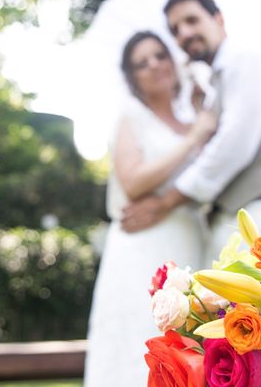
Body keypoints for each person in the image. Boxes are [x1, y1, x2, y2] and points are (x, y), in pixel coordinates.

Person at [121, 0, 261, 264]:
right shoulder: (217, 84)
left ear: (219, 19)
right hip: (241, 221)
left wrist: (166, 203)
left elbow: (233, 145)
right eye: (175, 30)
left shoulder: (247, 57)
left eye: (192, 20)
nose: (185, 33)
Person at [84, 31, 216, 387]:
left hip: (191, 241)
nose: (154, 65)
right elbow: (134, 181)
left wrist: (202, 119)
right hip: (143, 245)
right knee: (138, 336)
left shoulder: (196, 118)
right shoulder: (132, 116)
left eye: (159, 55)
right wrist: (192, 140)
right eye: (142, 63)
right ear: (133, 77)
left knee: (191, 343)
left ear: (173, 61)